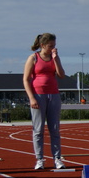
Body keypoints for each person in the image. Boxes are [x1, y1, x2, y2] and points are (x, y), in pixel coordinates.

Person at [23, 33, 66, 170]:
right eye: (50, 46)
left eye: (54, 46)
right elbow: (26, 79)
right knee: (38, 129)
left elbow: (61, 75)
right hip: (38, 95)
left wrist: (56, 59)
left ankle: (57, 158)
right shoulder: (33, 58)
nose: (53, 48)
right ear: (42, 45)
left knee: (54, 129)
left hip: (53, 95)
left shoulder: (54, 58)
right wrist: (31, 97)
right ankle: (40, 159)